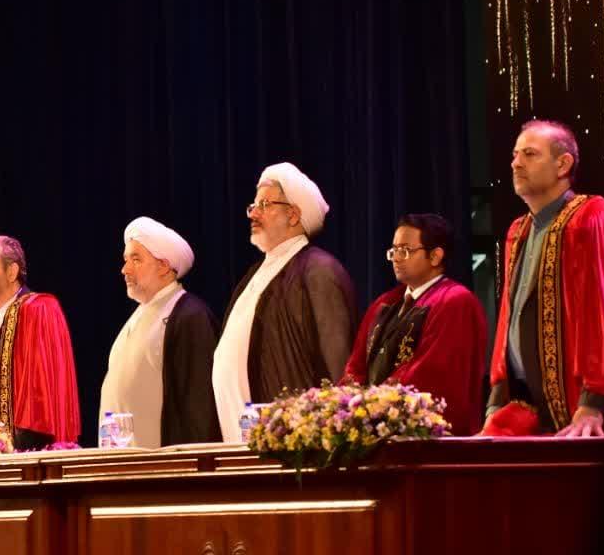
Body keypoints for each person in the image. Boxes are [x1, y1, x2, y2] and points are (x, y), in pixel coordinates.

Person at [485, 119, 604, 436]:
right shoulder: (519, 230)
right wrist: (496, 403)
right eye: (515, 154)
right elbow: (508, 320)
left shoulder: (593, 219)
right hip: (526, 407)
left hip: (583, 414)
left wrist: (593, 403)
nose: (516, 163)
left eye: (529, 154)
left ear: (563, 164)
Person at [214, 162, 356, 442]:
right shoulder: (256, 273)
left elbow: (338, 363)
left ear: (293, 215)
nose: (253, 213)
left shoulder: (318, 270)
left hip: (297, 446)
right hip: (241, 439)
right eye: (253, 206)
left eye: (264, 205)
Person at [344, 214, 488, 435]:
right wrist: (345, 405)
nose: (396, 258)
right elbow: (356, 367)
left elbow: (430, 373)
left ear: (435, 256)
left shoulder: (455, 301)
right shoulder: (385, 303)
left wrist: (371, 404)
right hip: (375, 427)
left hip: (428, 437)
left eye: (405, 250)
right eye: (394, 251)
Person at [99, 217, 221, 448]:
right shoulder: (139, 314)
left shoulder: (190, 315)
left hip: (164, 464)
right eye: (126, 260)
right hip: (124, 462)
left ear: (164, 266)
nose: (125, 269)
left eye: (136, 259)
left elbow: (199, 407)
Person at [0, 235, 80, 449]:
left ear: (12, 271)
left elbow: (41, 389)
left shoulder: (38, 308)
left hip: (27, 448)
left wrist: (23, 443)